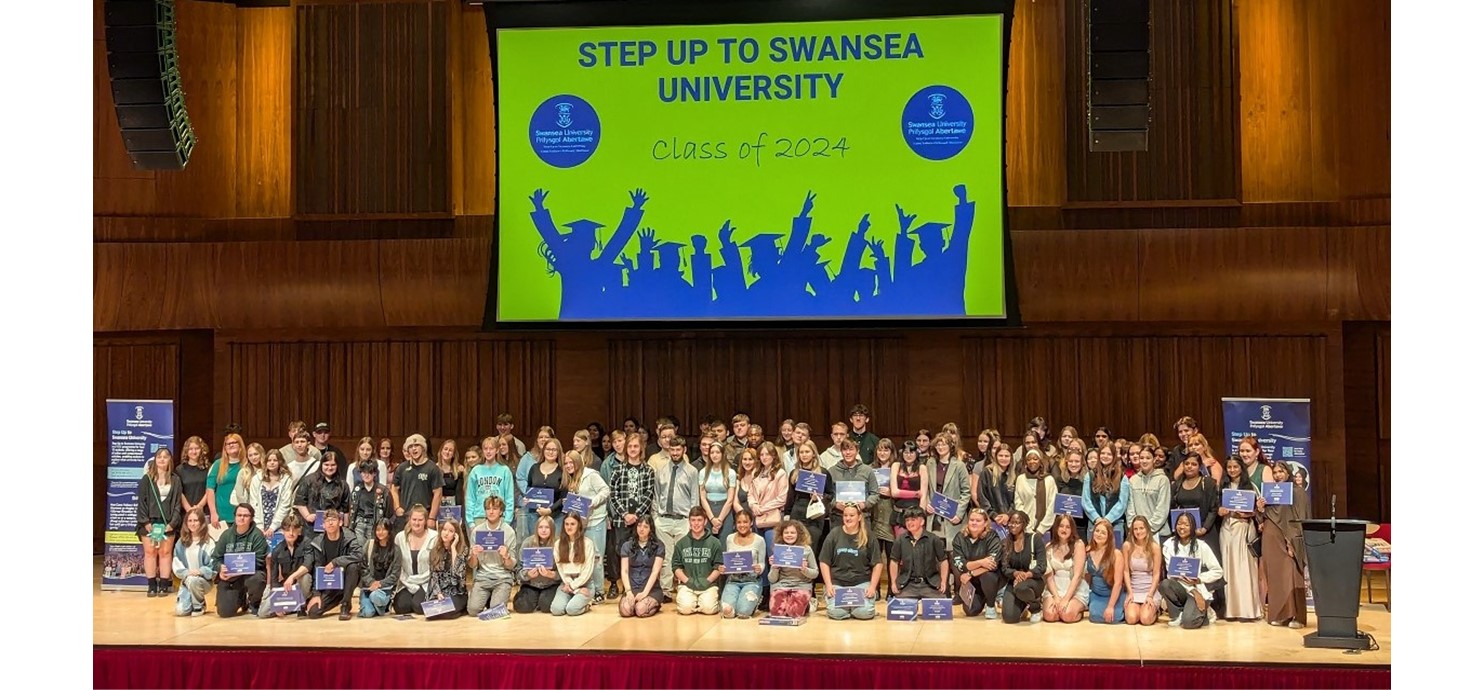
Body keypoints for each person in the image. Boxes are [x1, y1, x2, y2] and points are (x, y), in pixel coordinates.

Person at [1259, 460, 1310, 629]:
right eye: (1275, 472)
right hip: (1271, 537)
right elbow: (1264, 518)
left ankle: (1297, 616)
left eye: (1281, 471)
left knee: (1292, 575)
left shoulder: (1298, 492)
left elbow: (1301, 517)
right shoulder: (1271, 493)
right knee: (1275, 577)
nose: (1277, 475)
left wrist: (1294, 542)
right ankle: (1281, 614)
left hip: (1290, 540)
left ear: (1288, 473)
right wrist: (1260, 508)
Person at [608, 433, 655, 601]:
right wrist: (625, 514)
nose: (633, 449)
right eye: (630, 446)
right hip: (622, 519)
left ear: (641, 448)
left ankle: (639, 584)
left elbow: (649, 494)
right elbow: (613, 494)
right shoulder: (618, 469)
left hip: (640, 520)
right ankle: (616, 584)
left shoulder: (648, 470)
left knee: (639, 550)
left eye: (636, 446)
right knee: (620, 550)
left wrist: (637, 515)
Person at [1159, 512, 1225, 629]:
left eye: (1186, 524)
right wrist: (1194, 591)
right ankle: (1177, 614)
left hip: (1198, 588)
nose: (1182, 527)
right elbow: (1172, 575)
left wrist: (1199, 579)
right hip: (1182, 589)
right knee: (1165, 584)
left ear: (1193, 527)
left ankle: (1205, 613)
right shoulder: (1168, 545)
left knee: (1189, 623)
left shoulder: (1201, 546)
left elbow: (1218, 571)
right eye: (1179, 524)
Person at [561, 449, 611, 602]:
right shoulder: (570, 479)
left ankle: (599, 591)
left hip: (595, 520)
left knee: (596, 557)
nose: (569, 465)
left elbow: (605, 490)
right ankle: (589, 589)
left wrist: (592, 502)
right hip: (580, 523)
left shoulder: (591, 475)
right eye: (566, 463)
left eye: (571, 462)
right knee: (584, 558)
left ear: (577, 462)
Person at [819, 503, 882, 621]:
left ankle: (852, 608)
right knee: (836, 613)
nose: (848, 518)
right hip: (838, 583)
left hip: (861, 583)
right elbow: (824, 561)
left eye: (852, 515)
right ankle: (849, 608)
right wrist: (828, 585)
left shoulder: (869, 536)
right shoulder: (834, 534)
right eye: (845, 515)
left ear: (859, 517)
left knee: (864, 613)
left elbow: (877, 563)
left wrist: (873, 587)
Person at [655, 437, 701, 595]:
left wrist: (693, 522)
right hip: (663, 519)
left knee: (684, 556)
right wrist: (656, 518)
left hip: (683, 520)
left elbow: (695, 498)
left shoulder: (691, 471)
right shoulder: (661, 470)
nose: (675, 453)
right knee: (666, 557)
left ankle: (685, 589)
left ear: (684, 450)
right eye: (672, 450)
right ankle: (666, 591)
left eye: (678, 450)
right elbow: (656, 496)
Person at [1219, 456, 1262, 621]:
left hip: (1244, 528)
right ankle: (1231, 611)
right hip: (1227, 529)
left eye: (1235, 467)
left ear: (1241, 468)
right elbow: (1216, 507)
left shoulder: (1250, 487)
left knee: (1244, 568)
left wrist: (1249, 513)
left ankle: (1248, 610)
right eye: (1229, 467)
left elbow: (1258, 512)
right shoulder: (1222, 486)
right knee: (1229, 568)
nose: (1232, 470)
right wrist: (1220, 511)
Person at [210, 502, 269, 618]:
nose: (242, 518)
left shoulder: (257, 535)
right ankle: (242, 600)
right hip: (231, 578)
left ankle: (254, 603)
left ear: (251, 518)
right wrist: (220, 569)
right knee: (224, 613)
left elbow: (260, 561)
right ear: (235, 516)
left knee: (257, 579)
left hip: (250, 575)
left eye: (245, 516)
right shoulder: (226, 535)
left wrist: (238, 571)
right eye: (239, 515)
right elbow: (216, 558)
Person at [139, 447, 182, 598]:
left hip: (167, 522)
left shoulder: (175, 480)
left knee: (165, 553)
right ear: (155, 460)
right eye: (159, 457)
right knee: (150, 552)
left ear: (170, 460)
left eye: (165, 457)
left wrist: (172, 523)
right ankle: (151, 585)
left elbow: (177, 504)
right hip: (149, 523)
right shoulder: (147, 479)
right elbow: (142, 502)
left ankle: (164, 584)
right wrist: (145, 523)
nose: (162, 459)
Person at [304, 509, 362, 619]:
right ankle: (338, 598)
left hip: (347, 580)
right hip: (329, 584)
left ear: (340, 522)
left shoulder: (349, 537)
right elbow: (317, 568)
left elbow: (359, 555)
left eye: (333, 520)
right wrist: (316, 594)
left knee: (353, 566)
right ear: (323, 525)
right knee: (313, 612)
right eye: (327, 521)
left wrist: (336, 562)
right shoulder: (318, 542)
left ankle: (345, 605)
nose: (330, 523)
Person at [467, 496, 518, 616]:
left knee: (496, 612)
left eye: (494, 508)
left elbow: (511, 566)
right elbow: (472, 565)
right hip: (483, 577)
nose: (491, 512)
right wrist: (474, 555)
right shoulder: (477, 531)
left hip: (502, 577)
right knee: (473, 611)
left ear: (501, 511)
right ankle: (489, 597)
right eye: (488, 508)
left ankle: (494, 599)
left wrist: (506, 557)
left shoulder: (509, 531)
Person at [949, 508, 1004, 619]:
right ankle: (981, 598)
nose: (974, 523)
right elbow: (961, 564)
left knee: (988, 576)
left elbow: (992, 565)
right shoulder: (959, 537)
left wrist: (971, 573)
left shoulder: (992, 536)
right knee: (970, 611)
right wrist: (981, 562)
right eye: (971, 520)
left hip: (990, 578)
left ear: (985, 523)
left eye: (978, 520)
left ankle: (990, 605)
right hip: (972, 582)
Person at [670, 506, 724, 615]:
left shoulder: (715, 542)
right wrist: (687, 581)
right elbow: (675, 567)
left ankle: (703, 603)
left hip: (708, 585)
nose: (696, 523)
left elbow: (718, 566)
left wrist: (707, 581)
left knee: (709, 609)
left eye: (699, 520)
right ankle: (695, 603)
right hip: (687, 585)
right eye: (693, 520)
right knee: (685, 610)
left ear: (705, 522)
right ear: (689, 522)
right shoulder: (681, 543)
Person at [922, 432, 971, 551]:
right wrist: (927, 503)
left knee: (953, 552)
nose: (940, 447)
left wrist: (959, 514)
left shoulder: (959, 465)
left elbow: (966, 492)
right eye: (938, 445)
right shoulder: (930, 463)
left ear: (950, 446)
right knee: (935, 552)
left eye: (944, 444)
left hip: (952, 517)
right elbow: (926, 487)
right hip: (934, 515)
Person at [888, 507, 948, 601]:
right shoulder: (900, 540)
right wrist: (893, 582)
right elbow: (894, 561)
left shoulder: (934, 539)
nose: (909, 523)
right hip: (908, 584)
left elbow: (943, 561)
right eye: (907, 520)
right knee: (901, 610)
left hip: (929, 584)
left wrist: (943, 581)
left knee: (939, 609)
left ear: (922, 522)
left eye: (913, 519)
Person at [259, 513, 312, 619]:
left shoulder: (307, 543)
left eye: (294, 530)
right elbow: (274, 580)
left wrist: (292, 577)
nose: (291, 533)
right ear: (282, 531)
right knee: (263, 613)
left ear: (299, 530)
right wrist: (277, 602)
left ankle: (301, 605)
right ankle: (290, 607)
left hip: (302, 586)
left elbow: (308, 565)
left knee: (305, 577)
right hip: (287, 587)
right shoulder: (277, 550)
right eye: (287, 530)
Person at [1170, 453, 1221, 560]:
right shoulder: (1176, 485)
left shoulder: (1208, 483)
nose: (1189, 466)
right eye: (1187, 464)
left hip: (1204, 531)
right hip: (1183, 533)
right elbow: (1172, 507)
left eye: (1194, 464)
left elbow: (1213, 508)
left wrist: (1204, 528)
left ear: (1200, 467)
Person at [999, 510, 1046, 624]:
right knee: (1009, 618)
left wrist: (1026, 575)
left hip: (1033, 580)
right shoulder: (1006, 542)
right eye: (1011, 522)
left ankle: (1035, 608)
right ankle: (1023, 604)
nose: (1013, 525)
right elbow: (1005, 568)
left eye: (1017, 522)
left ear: (1024, 524)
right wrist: (1016, 574)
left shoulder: (1035, 539)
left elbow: (1042, 566)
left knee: (1021, 588)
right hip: (1014, 581)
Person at [391, 505, 439, 615]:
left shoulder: (435, 537)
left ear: (426, 521)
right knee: (401, 607)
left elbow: (435, 566)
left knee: (419, 607)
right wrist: (408, 582)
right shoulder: (400, 537)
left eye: (420, 520)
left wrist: (417, 581)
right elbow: (397, 565)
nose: (417, 523)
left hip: (426, 581)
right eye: (414, 519)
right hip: (406, 581)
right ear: (409, 520)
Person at [1041, 514, 1089, 623]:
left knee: (1067, 616)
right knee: (1049, 616)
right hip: (1055, 588)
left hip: (1074, 588)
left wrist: (1066, 599)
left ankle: (1078, 610)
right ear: (1056, 527)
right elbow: (1049, 576)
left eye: (1068, 527)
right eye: (1061, 526)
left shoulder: (1079, 545)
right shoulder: (1049, 547)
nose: (1064, 529)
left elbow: (1077, 576)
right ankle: (1059, 610)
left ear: (1072, 529)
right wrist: (1056, 597)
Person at [240, 449, 294, 544]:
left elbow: (285, 505)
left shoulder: (286, 480)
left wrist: (273, 527)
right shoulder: (257, 479)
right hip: (259, 524)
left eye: (275, 460)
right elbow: (253, 503)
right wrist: (259, 526)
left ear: (280, 462)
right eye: (269, 460)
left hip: (279, 525)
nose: (272, 463)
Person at [391, 434, 444, 533]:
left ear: (423, 448)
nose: (413, 449)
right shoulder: (402, 468)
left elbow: (438, 493)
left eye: (416, 445)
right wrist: (397, 507)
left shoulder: (432, 468)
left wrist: (432, 517)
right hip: (405, 517)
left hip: (424, 517)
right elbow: (394, 489)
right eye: (410, 447)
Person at [767, 519, 818, 619]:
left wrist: (804, 569)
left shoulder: (806, 549)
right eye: (786, 532)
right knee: (776, 613)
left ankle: (807, 604)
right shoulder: (778, 550)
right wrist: (774, 567)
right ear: (781, 534)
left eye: (792, 532)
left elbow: (815, 573)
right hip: (781, 585)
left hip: (801, 585)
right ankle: (787, 601)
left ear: (798, 534)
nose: (789, 535)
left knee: (794, 613)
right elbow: (771, 579)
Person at [719, 510, 766, 619]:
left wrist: (760, 568)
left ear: (751, 523)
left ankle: (754, 602)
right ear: (735, 524)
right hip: (733, 580)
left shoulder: (759, 540)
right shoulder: (730, 538)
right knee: (727, 611)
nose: (742, 525)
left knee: (743, 612)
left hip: (752, 580)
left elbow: (762, 563)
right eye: (739, 522)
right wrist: (724, 569)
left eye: (745, 522)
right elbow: (729, 562)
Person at [294, 451, 350, 538]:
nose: (329, 468)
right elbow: (299, 502)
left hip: (334, 529)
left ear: (337, 466)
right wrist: (307, 516)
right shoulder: (309, 480)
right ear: (321, 465)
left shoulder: (343, 484)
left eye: (333, 465)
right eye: (326, 464)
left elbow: (346, 509)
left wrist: (346, 528)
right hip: (311, 528)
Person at [550, 513, 597, 616]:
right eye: (566, 524)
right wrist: (574, 588)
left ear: (579, 525)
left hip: (585, 584)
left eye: (572, 524)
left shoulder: (587, 543)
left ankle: (587, 604)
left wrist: (574, 586)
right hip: (566, 583)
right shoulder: (558, 544)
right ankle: (573, 597)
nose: (569, 527)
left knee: (572, 610)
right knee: (556, 610)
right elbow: (561, 569)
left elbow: (587, 571)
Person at [171, 508, 215, 616]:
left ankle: (199, 606)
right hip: (187, 580)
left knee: (193, 580)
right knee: (181, 612)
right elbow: (176, 563)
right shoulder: (181, 543)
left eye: (196, 520)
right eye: (190, 521)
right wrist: (186, 573)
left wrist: (200, 571)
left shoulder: (208, 543)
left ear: (201, 522)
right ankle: (190, 599)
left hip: (203, 581)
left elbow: (213, 566)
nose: (193, 524)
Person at [618, 517, 665, 618]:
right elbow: (624, 571)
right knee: (625, 611)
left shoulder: (659, 546)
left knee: (640, 610)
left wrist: (645, 593)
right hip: (632, 587)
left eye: (645, 526)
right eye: (639, 526)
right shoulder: (627, 546)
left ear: (650, 529)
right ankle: (634, 603)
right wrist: (628, 591)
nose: (641, 529)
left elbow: (655, 572)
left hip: (651, 588)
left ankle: (655, 604)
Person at [1082, 444, 1130, 544]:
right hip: (1094, 522)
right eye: (1103, 453)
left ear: (1114, 456)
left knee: (1114, 556)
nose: (1105, 456)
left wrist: (1108, 520)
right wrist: (1097, 519)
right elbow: (1086, 500)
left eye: (1109, 454)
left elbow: (1122, 503)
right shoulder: (1090, 475)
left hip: (1115, 523)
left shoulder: (1122, 477)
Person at [514, 516, 562, 614]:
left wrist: (552, 574)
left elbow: (564, 572)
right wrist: (527, 575)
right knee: (522, 607)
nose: (543, 530)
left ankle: (539, 600)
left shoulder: (559, 544)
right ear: (536, 529)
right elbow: (518, 570)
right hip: (531, 584)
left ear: (552, 529)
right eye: (540, 527)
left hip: (550, 584)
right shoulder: (527, 543)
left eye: (547, 527)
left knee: (547, 606)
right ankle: (532, 598)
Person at [1122, 515, 1163, 626]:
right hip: (1134, 589)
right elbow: (1125, 571)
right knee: (1131, 619)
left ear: (1147, 529)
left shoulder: (1155, 547)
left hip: (1150, 590)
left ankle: (1155, 610)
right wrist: (1130, 592)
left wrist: (1150, 595)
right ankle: (1138, 608)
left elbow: (1156, 574)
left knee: (1145, 619)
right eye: (1135, 529)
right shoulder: (1127, 546)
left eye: (1141, 528)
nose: (1138, 531)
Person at [425, 518, 469, 619]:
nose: (446, 533)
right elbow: (433, 575)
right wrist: (438, 593)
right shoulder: (434, 551)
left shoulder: (463, 550)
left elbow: (458, 574)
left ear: (456, 534)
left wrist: (453, 547)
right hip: (440, 592)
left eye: (451, 531)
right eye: (444, 530)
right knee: (430, 613)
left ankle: (459, 610)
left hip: (456, 591)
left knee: (448, 611)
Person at [1086, 518, 1127, 623]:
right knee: (1095, 617)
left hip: (1112, 595)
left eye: (1103, 533)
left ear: (1109, 537)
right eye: (1097, 531)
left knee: (1115, 617)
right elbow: (1087, 577)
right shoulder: (1088, 550)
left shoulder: (1116, 554)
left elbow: (1118, 583)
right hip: (1096, 594)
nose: (1099, 534)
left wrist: (1110, 606)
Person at [467, 438, 515, 528]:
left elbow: (509, 498)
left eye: (491, 449)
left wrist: (507, 520)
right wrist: (470, 521)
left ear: (497, 450)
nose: (488, 452)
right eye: (485, 449)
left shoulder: (505, 470)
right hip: (479, 516)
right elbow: (470, 498)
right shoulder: (475, 471)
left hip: (500, 517)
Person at [1127, 444, 1172, 538]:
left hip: (1158, 533)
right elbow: (1130, 508)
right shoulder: (1133, 480)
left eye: (1148, 458)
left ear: (1154, 459)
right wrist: (1135, 528)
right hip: (1137, 533)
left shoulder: (1162, 480)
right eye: (1142, 458)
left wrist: (1147, 529)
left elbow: (1162, 509)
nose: (1144, 461)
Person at [205, 433, 247, 531]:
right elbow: (210, 490)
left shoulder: (246, 464)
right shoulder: (217, 465)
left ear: (240, 445)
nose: (231, 445)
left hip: (242, 514)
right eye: (228, 444)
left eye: (234, 442)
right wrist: (213, 513)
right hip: (221, 515)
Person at [358, 519, 399, 618]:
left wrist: (380, 584)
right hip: (369, 587)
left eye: (384, 529)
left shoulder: (396, 550)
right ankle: (377, 608)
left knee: (375, 596)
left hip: (385, 589)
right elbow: (362, 567)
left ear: (389, 531)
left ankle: (382, 605)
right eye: (378, 529)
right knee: (368, 613)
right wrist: (371, 582)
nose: (380, 532)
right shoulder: (369, 544)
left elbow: (395, 574)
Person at [699, 441, 737, 543]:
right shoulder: (703, 472)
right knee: (708, 544)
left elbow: (730, 499)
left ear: (722, 454)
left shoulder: (731, 473)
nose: (714, 455)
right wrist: (712, 519)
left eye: (717, 452)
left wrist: (719, 520)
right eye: (712, 452)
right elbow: (702, 497)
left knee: (724, 543)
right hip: (708, 510)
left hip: (724, 511)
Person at [1014, 449, 1058, 537]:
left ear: (1040, 462)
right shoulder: (1021, 479)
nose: (1032, 461)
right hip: (1025, 528)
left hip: (1045, 530)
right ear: (1025, 463)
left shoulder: (1049, 480)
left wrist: (1041, 528)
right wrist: (1026, 525)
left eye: (1035, 459)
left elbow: (1052, 505)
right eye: (1029, 459)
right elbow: (1018, 503)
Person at [348, 460, 393, 545]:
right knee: (359, 548)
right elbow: (352, 509)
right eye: (363, 472)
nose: (366, 475)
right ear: (360, 474)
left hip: (375, 524)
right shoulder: (357, 490)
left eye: (370, 472)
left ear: (375, 474)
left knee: (372, 548)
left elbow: (389, 511)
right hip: (359, 523)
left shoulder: (383, 491)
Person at [977, 443, 1017, 527]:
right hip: (991, 520)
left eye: (1007, 456)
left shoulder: (1014, 475)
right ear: (996, 457)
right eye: (1001, 455)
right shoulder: (987, 472)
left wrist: (1008, 515)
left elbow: (1016, 499)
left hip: (1010, 521)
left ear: (1011, 458)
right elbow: (982, 497)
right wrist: (994, 516)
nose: (1003, 458)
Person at [1053, 449, 1089, 538]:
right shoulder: (1059, 480)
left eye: (1077, 461)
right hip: (1062, 526)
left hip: (1080, 526)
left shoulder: (1087, 481)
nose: (1073, 464)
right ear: (1066, 462)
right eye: (1071, 461)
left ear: (1082, 463)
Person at [176, 437, 212, 524]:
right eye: (191, 449)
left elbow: (210, 489)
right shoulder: (180, 469)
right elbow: (179, 492)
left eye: (197, 448)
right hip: (186, 513)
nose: (194, 452)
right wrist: (189, 509)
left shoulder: (209, 468)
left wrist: (199, 506)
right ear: (186, 451)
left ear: (202, 450)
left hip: (204, 512)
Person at [436, 439, 465, 507]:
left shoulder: (459, 470)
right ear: (441, 451)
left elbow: (459, 493)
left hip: (453, 506)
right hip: (437, 505)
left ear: (454, 454)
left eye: (450, 450)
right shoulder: (434, 469)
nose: (447, 452)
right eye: (445, 449)